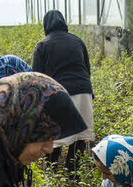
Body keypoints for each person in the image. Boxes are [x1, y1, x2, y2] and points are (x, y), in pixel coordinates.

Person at [32, 10, 94, 173]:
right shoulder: (77, 41)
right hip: (82, 91)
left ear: (46, 25)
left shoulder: (42, 45)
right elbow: (87, 70)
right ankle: (72, 171)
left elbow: (37, 78)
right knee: (80, 133)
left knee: (54, 136)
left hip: (58, 94)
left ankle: (52, 172)